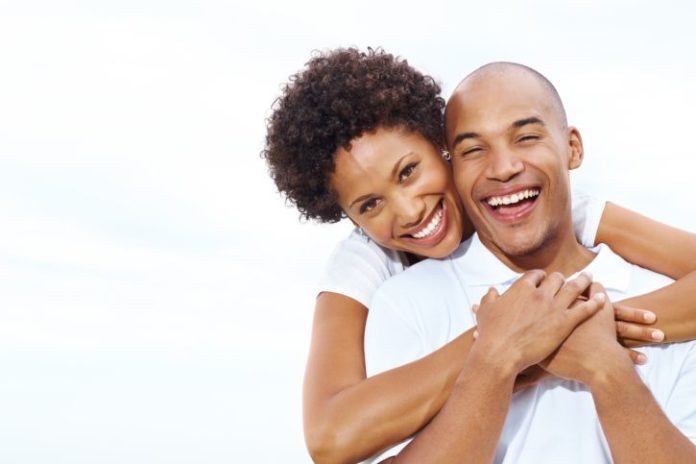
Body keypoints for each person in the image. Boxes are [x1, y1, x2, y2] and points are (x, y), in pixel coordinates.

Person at [262, 48, 696, 463]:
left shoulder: (561, 205)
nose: (410, 209)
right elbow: (331, 437)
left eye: (409, 171)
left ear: (442, 149)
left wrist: (573, 325)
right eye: (369, 205)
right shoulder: (374, 269)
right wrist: (501, 347)